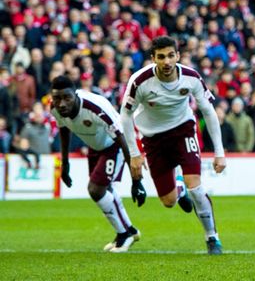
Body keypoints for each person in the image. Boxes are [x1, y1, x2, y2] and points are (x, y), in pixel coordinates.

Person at [120, 36, 227, 255]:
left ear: (177, 56)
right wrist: (134, 153)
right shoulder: (139, 81)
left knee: (196, 187)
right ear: (153, 59)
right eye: (161, 57)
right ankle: (179, 189)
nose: (167, 61)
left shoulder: (191, 77)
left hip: (183, 130)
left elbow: (208, 111)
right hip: (153, 139)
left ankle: (212, 238)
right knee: (168, 201)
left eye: (171, 56)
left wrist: (219, 153)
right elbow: (125, 114)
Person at [50, 76, 142, 253]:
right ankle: (127, 231)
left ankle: (125, 234)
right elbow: (63, 130)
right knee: (102, 190)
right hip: (94, 146)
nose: (61, 104)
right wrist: (65, 163)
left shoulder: (96, 108)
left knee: (96, 189)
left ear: (75, 95)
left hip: (113, 145)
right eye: (57, 98)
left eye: (66, 98)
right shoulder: (55, 108)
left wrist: (136, 180)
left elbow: (123, 141)